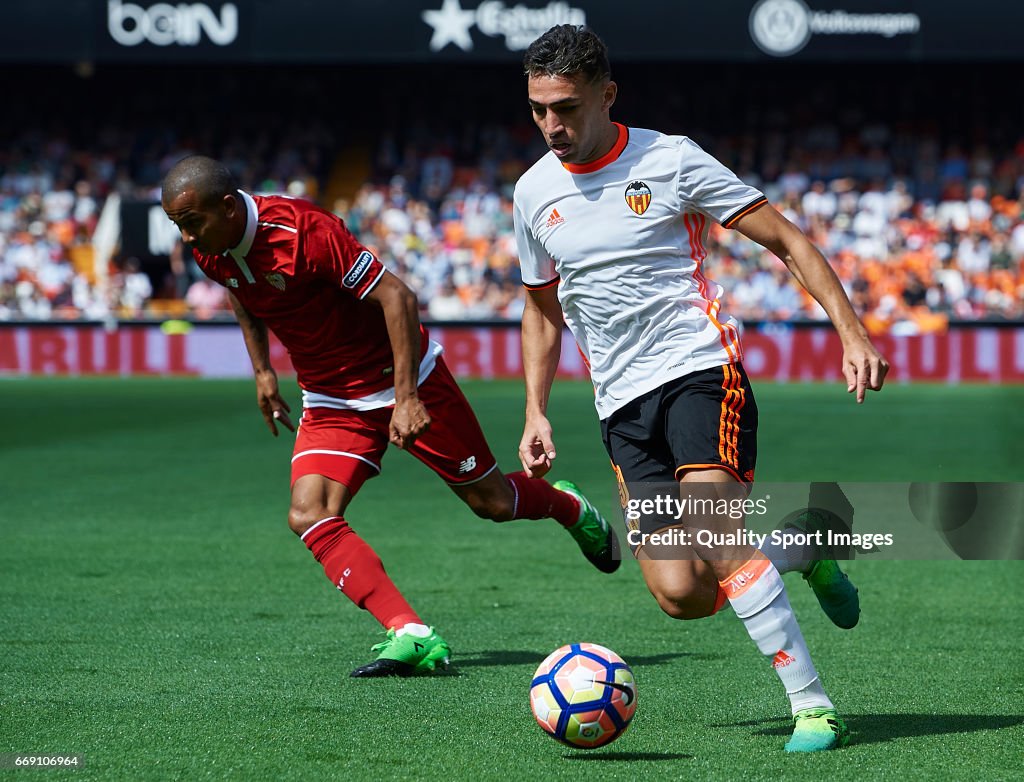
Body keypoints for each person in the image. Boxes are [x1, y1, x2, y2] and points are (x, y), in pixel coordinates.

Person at [513, 26, 889, 752]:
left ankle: (812, 705)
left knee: (717, 536)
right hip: (620, 406)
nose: (551, 126)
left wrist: (851, 330)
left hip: (698, 371)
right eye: (537, 109)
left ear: (606, 94)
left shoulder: (672, 159)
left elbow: (788, 240)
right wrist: (535, 408)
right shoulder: (533, 192)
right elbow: (539, 306)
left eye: (565, 106)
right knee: (681, 595)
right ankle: (803, 547)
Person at [160, 155, 620, 678]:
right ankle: (411, 633)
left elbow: (397, 297)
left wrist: (406, 397)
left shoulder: (305, 231)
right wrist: (263, 370)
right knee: (308, 514)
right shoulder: (211, 246)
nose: (188, 239)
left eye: (192, 223)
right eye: (179, 226)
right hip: (331, 398)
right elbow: (242, 292)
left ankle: (567, 506)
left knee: (491, 503)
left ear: (226, 207)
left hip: (408, 379)